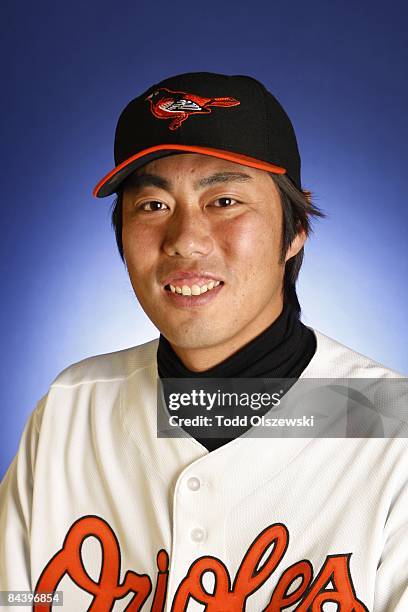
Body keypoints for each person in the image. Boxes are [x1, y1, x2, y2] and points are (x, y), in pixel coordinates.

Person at [0, 71, 407, 611]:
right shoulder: (72, 407)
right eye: (153, 206)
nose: (186, 241)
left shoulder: (389, 425)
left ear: (295, 228)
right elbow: (19, 597)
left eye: (224, 201)